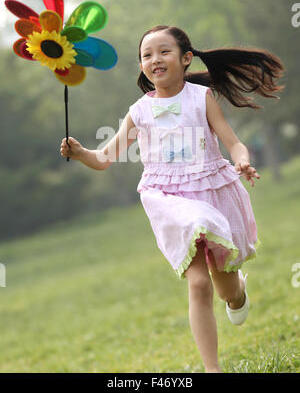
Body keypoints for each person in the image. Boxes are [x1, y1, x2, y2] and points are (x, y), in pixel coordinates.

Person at [60, 25, 285, 373]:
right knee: (197, 282)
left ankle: (239, 290)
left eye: (163, 51)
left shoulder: (200, 98)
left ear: (185, 58)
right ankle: (213, 370)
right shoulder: (139, 112)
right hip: (169, 200)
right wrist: (80, 153)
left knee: (227, 291)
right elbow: (104, 158)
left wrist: (241, 159)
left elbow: (232, 140)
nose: (154, 60)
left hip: (212, 192)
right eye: (146, 55)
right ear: (142, 67)